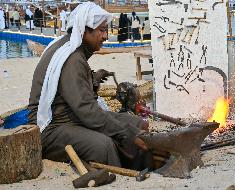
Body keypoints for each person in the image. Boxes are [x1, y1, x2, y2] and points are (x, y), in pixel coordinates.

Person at [27, 2, 152, 170]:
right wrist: (125, 133)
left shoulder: (69, 49)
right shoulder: (73, 59)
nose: (105, 36)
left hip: (70, 118)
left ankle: (138, 165)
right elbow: (87, 111)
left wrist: (93, 78)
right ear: (84, 30)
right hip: (50, 128)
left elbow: (70, 88)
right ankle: (122, 176)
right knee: (103, 145)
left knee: (137, 123)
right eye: (101, 30)